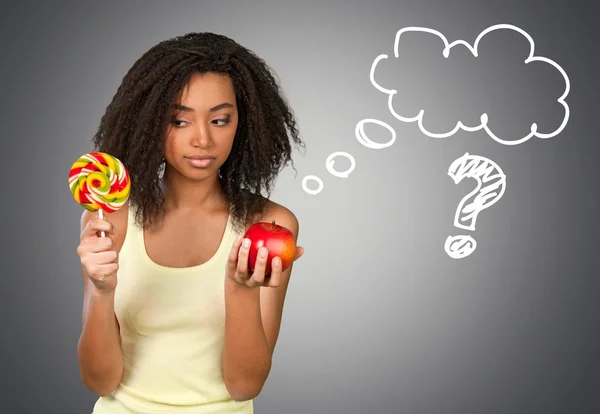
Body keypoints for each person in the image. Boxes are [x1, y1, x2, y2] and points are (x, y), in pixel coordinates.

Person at [75, 32, 306, 413]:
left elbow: (245, 384)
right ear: (149, 123)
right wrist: (101, 292)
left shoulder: (269, 224)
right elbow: (99, 380)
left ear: (243, 124)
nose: (202, 139)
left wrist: (241, 290)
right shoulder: (108, 219)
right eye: (179, 121)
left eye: (219, 119)